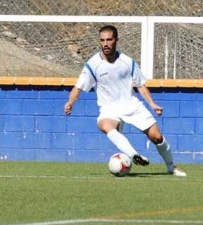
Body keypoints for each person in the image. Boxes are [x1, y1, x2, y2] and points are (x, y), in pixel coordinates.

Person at [64, 25, 186, 177]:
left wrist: (152, 104)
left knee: (157, 137)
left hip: (131, 105)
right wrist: (70, 103)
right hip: (109, 108)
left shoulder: (128, 62)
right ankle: (134, 155)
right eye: (102, 40)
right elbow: (78, 87)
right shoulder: (93, 65)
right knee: (104, 125)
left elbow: (140, 85)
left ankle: (171, 167)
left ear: (116, 40)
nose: (105, 44)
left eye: (109, 39)